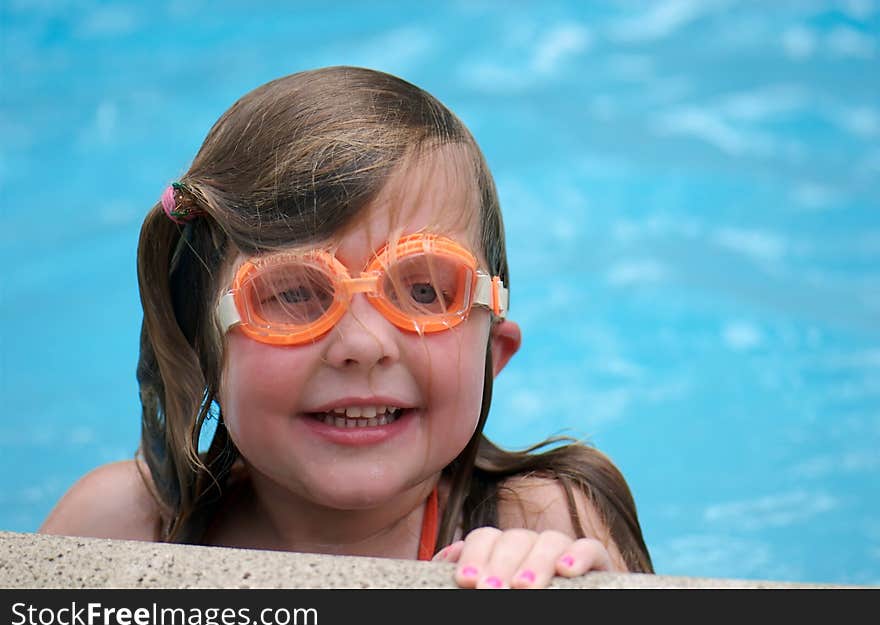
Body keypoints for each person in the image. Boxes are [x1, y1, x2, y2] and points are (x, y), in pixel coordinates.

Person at [40, 66, 653, 588]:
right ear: (205, 353)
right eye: (292, 293)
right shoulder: (130, 528)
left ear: (493, 352)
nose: (361, 345)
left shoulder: (539, 524)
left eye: (423, 290)